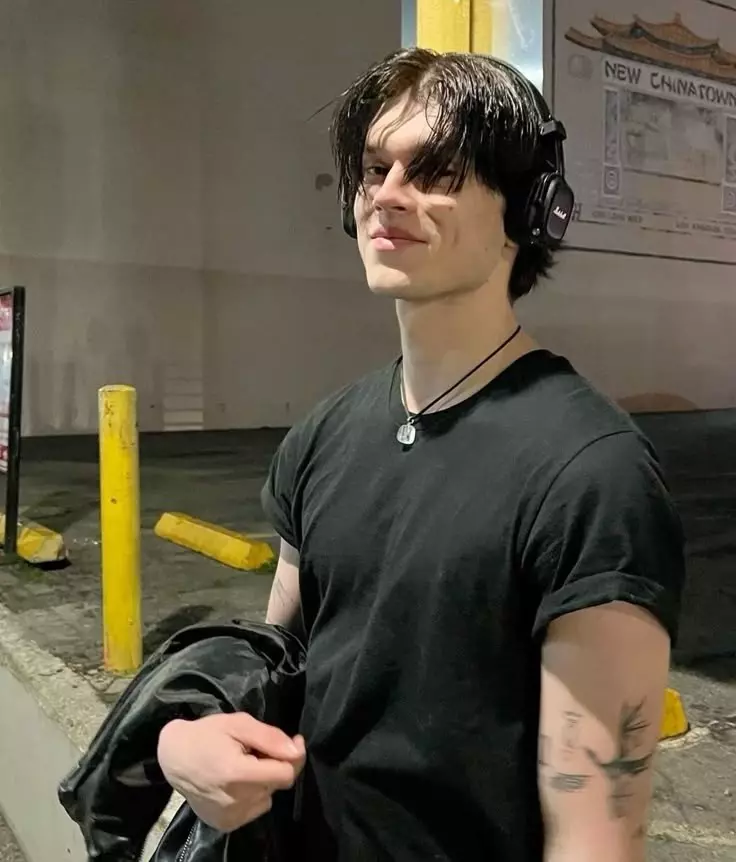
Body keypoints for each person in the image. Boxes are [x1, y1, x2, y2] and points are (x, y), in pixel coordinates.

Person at [158, 48, 685, 861]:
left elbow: (596, 837)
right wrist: (189, 742)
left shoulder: (592, 475)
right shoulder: (325, 433)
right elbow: (274, 674)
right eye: (376, 169)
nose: (388, 194)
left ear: (530, 211)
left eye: (436, 171)